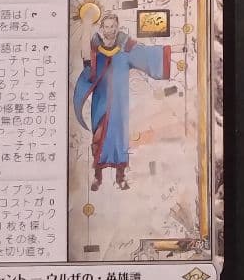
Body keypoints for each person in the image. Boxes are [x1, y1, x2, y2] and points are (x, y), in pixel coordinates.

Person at [73, 11, 171, 191]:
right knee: (98, 138)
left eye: (113, 26)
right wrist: (86, 25)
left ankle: (121, 178)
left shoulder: (127, 49)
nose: (110, 30)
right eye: (106, 26)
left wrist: (172, 50)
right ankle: (97, 177)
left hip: (119, 104)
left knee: (119, 140)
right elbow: (86, 57)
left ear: (117, 27)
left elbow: (148, 55)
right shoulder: (96, 49)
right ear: (102, 28)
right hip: (101, 103)